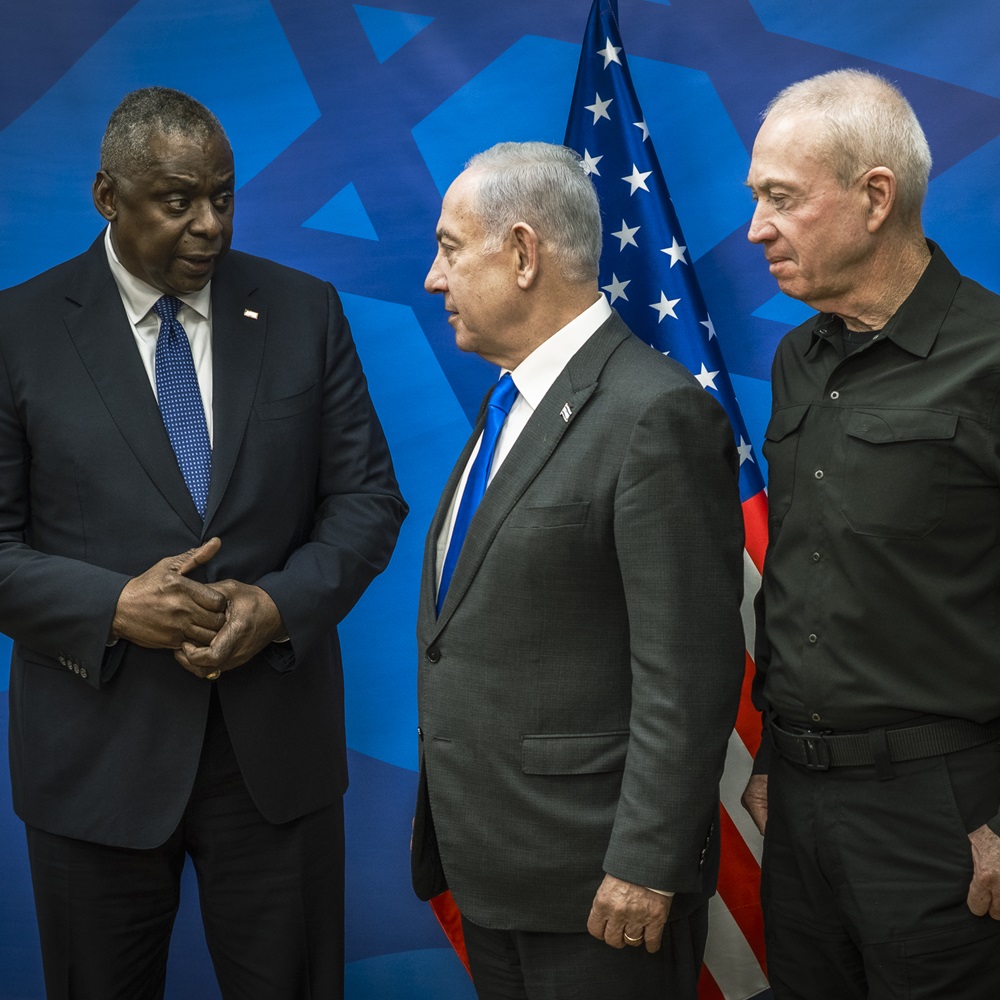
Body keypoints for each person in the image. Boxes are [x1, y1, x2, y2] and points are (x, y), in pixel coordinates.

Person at [0, 86, 406, 999]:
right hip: (95, 761)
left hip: (274, 760)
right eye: (178, 201)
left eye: (223, 196)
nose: (210, 224)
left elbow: (368, 499)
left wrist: (276, 606)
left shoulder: (304, 310)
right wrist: (110, 606)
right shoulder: (15, 332)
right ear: (108, 197)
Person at [409, 141, 745, 999]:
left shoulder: (654, 414)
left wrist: (647, 863)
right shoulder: (507, 402)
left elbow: (690, 670)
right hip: (494, 874)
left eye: (450, 249)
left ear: (523, 254)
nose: (433, 280)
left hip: (599, 889)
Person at [742, 68, 1000, 998]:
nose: (756, 228)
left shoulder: (992, 359)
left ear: (875, 197)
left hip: (946, 815)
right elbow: (811, 579)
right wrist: (776, 752)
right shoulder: (796, 358)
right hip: (802, 804)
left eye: (780, 199)